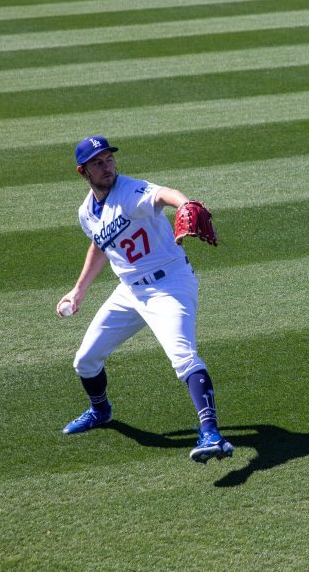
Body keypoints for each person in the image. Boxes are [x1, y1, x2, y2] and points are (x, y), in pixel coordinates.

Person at [56, 135, 233, 463]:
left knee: (183, 357)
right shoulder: (86, 212)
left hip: (169, 286)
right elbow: (100, 244)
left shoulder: (131, 191)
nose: (106, 166)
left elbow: (161, 195)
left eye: (108, 159)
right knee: (85, 361)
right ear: (84, 172)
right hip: (130, 291)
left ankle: (211, 433)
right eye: (98, 162)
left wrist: (184, 204)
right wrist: (79, 290)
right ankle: (101, 411)